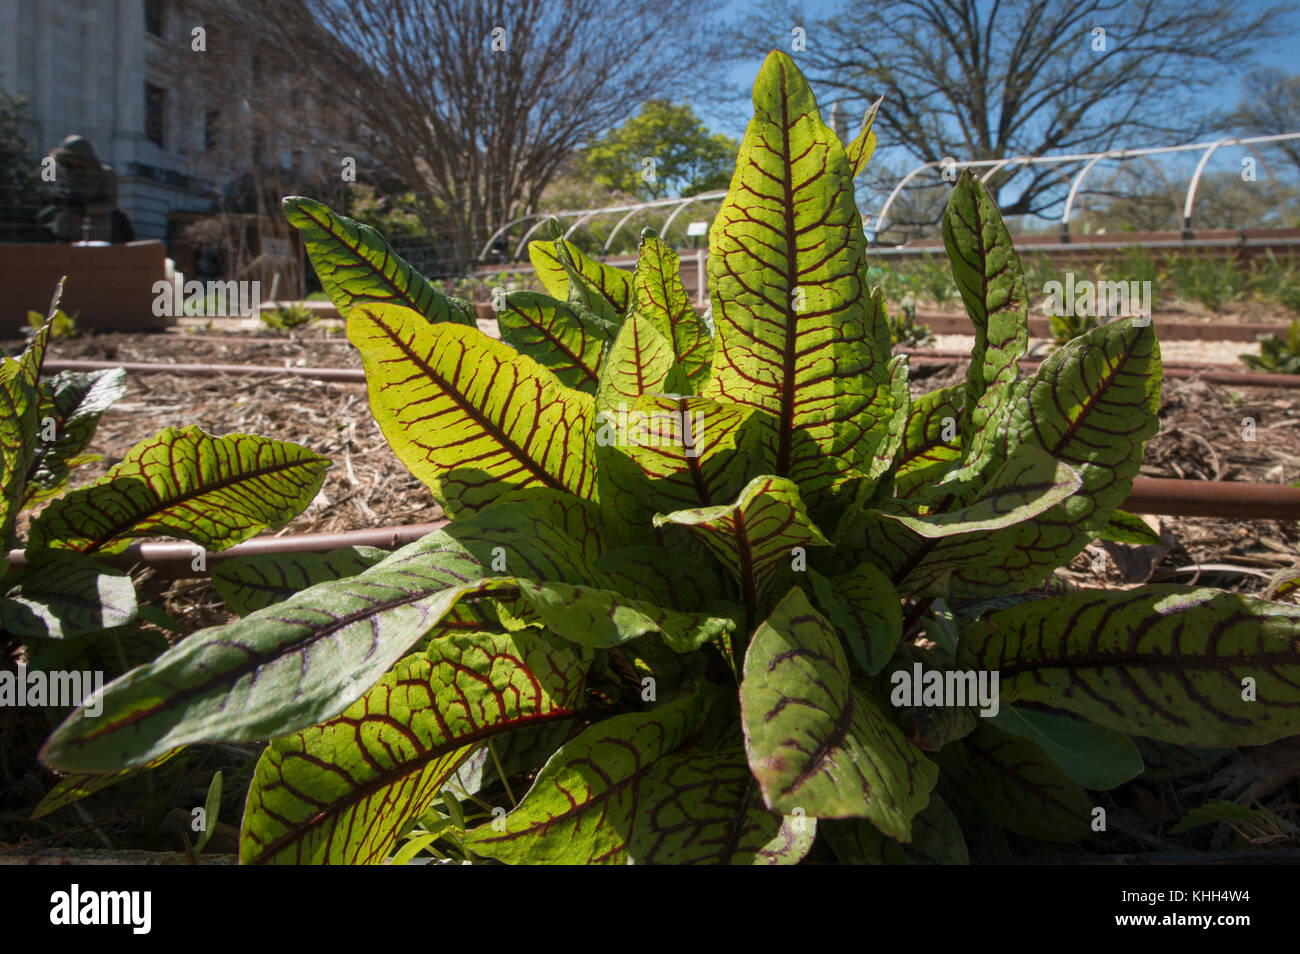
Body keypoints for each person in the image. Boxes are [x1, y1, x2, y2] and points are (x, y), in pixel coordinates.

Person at [39, 135, 135, 243]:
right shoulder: (65, 173)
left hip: (96, 231)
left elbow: (110, 203)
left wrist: (84, 208)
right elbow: (53, 187)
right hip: (68, 230)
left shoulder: (106, 174)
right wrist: (60, 198)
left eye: (74, 158)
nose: (72, 163)